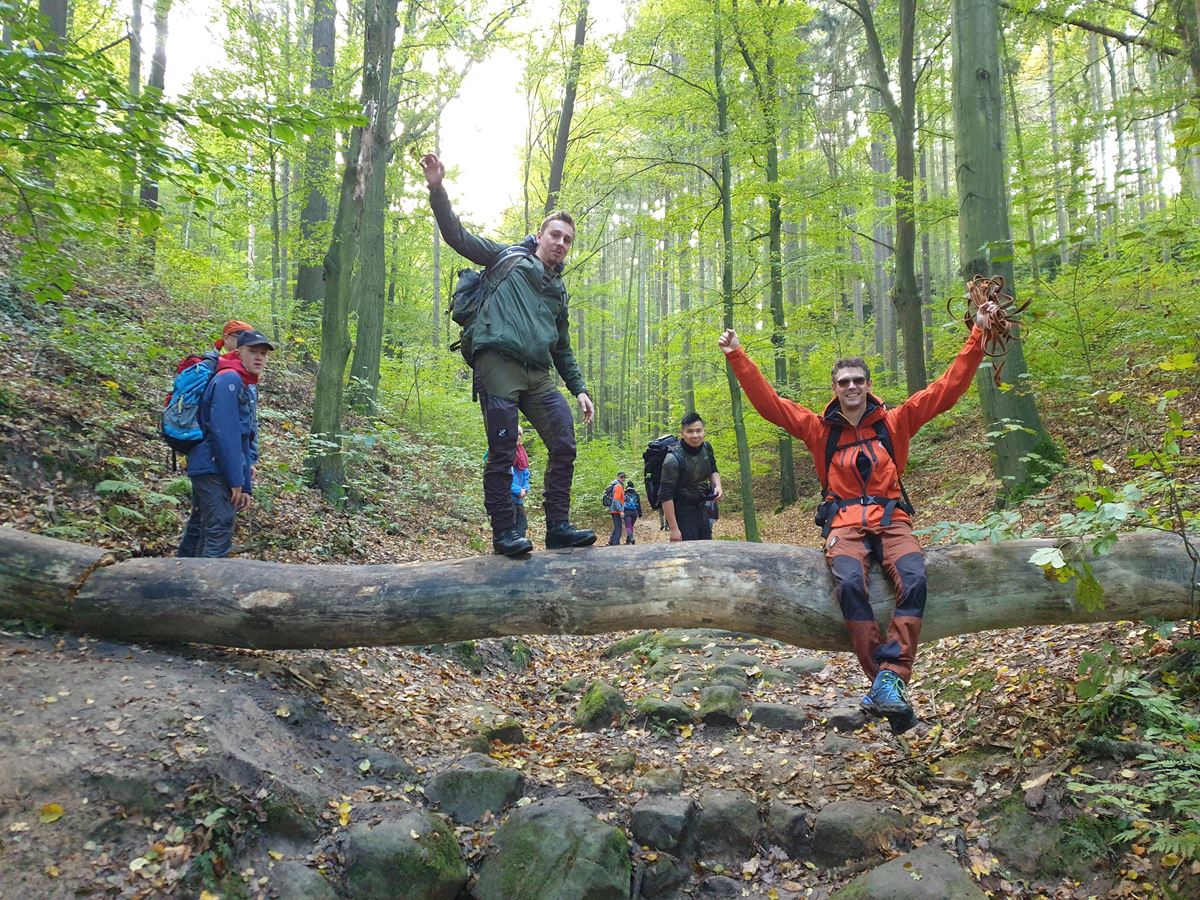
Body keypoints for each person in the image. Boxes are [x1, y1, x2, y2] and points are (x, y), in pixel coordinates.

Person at [718, 313, 989, 734]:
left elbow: (947, 389)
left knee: (915, 577)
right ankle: (885, 682)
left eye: (857, 380)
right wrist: (738, 355)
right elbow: (770, 404)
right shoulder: (818, 430)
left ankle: (888, 679)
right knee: (848, 584)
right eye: (843, 382)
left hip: (892, 520)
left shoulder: (895, 422)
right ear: (835, 388)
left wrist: (980, 333)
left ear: (868, 384)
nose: (851, 387)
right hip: (843, 524)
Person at [421, 152, 596, 557]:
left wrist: (580, 388)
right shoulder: (508, 258)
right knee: (502, 451)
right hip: (497, 363)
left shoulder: (558, 291)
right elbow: (457, 237)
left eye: (567, 240)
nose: (561, 243)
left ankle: (558, 527)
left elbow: (562, 346)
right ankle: (504, 533)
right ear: (540, 235)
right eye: (555, 235)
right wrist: (437, 189)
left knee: (564, 441)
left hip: (538, 374)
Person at [178, 330, 274, 558]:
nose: (259, 357)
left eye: (263, 353)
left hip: (212, 465)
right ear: (239, 352)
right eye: (253, 351)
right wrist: (236, 481)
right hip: (212, 466)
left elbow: (243, 437)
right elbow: (225, 433)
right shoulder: (229, 379)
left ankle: (181, 575)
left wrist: (245, 483)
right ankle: (205, 580)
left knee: (201, 528)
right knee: (219, 528)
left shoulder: (242, 381)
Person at [660, 412, 722, 542]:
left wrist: (718, 486)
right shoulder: (673, 459)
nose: (695, 435)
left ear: (704, 431)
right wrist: (674, 529)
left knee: (706, 546)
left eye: (699, 431)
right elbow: (666, 496)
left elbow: (713, 469)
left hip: (703, 508)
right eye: (690, 431)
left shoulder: (707, 448)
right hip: (682, 513)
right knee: (687, 552)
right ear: (682, 433)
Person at [512, 426, 531, 539]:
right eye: (516, 434)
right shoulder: (504, 453)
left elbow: (526, 475)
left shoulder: (521, 454)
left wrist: (525, 488)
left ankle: (520, 544)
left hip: (519, 499)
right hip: (508, 498)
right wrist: (517, 490)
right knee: (510, 525)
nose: (518, 436)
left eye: (519, 434)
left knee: (522, 525)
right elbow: (502, 477)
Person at [607, 472, 627, 546]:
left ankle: (611, 541)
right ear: (618, 477)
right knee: (618, 528)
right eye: (622, 477)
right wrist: (620, 510)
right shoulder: (618, 486)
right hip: (616, 510)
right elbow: (616, 500)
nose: (623, 478)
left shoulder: (618, 485)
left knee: (617, 527)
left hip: (615, 510)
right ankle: (615, 544)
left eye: (624, 477)